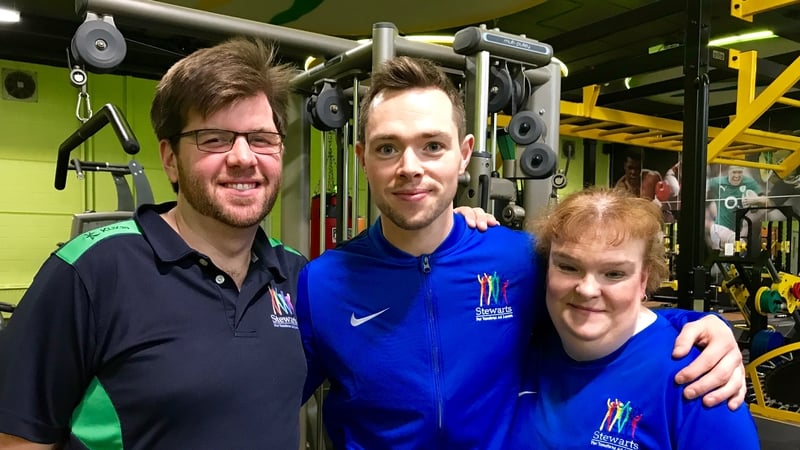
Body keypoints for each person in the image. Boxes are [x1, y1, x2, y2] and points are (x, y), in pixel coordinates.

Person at [296, 56, 747, 450]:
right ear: (362, 157)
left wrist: (703, 327)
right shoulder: (321, 284)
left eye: (432, 146)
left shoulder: (520, 260)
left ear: (463, 154)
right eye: (388, 148)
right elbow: (262, 395)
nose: (410, 168)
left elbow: (602, 305)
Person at [0, 37, 308, 449]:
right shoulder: (92, 270)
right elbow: (20, 439)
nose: (243, 157)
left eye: (261, 138)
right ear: (169, 159)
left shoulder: (295, 273)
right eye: (214, 139)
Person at [516, 187, 760, 449]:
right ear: (546, 269)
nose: (586, 289)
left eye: (614, 274)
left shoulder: (699, 380)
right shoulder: (520, 349)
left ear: (643, 279)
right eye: (568, 267)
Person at [706, 165, 772, 251]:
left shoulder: (748, 182)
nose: (736, 175)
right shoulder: (716, 184)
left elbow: (769, 202)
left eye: (739, 173)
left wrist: (756, 199)